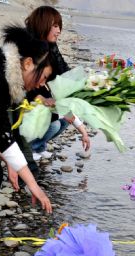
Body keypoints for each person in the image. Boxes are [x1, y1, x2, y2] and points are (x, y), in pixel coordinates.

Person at [0, 25, 53, 256]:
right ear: (28, 63)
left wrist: (11, 163)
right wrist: (35, 186)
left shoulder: (0, 71)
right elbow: (0, 133)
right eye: (42, 78)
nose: (40, 85)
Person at [25, 6, 90, 160]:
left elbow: (63, 73)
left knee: (64, 120)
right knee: (55, 122)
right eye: (55, 26)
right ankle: (29, 149)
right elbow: (43, 97)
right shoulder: (31, 53)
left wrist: (83, 131)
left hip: (37, 102)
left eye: (59, 26)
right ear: (42, 24)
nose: (59, 31)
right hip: (23, 109)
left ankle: (39, 147)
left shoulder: (49, 48)